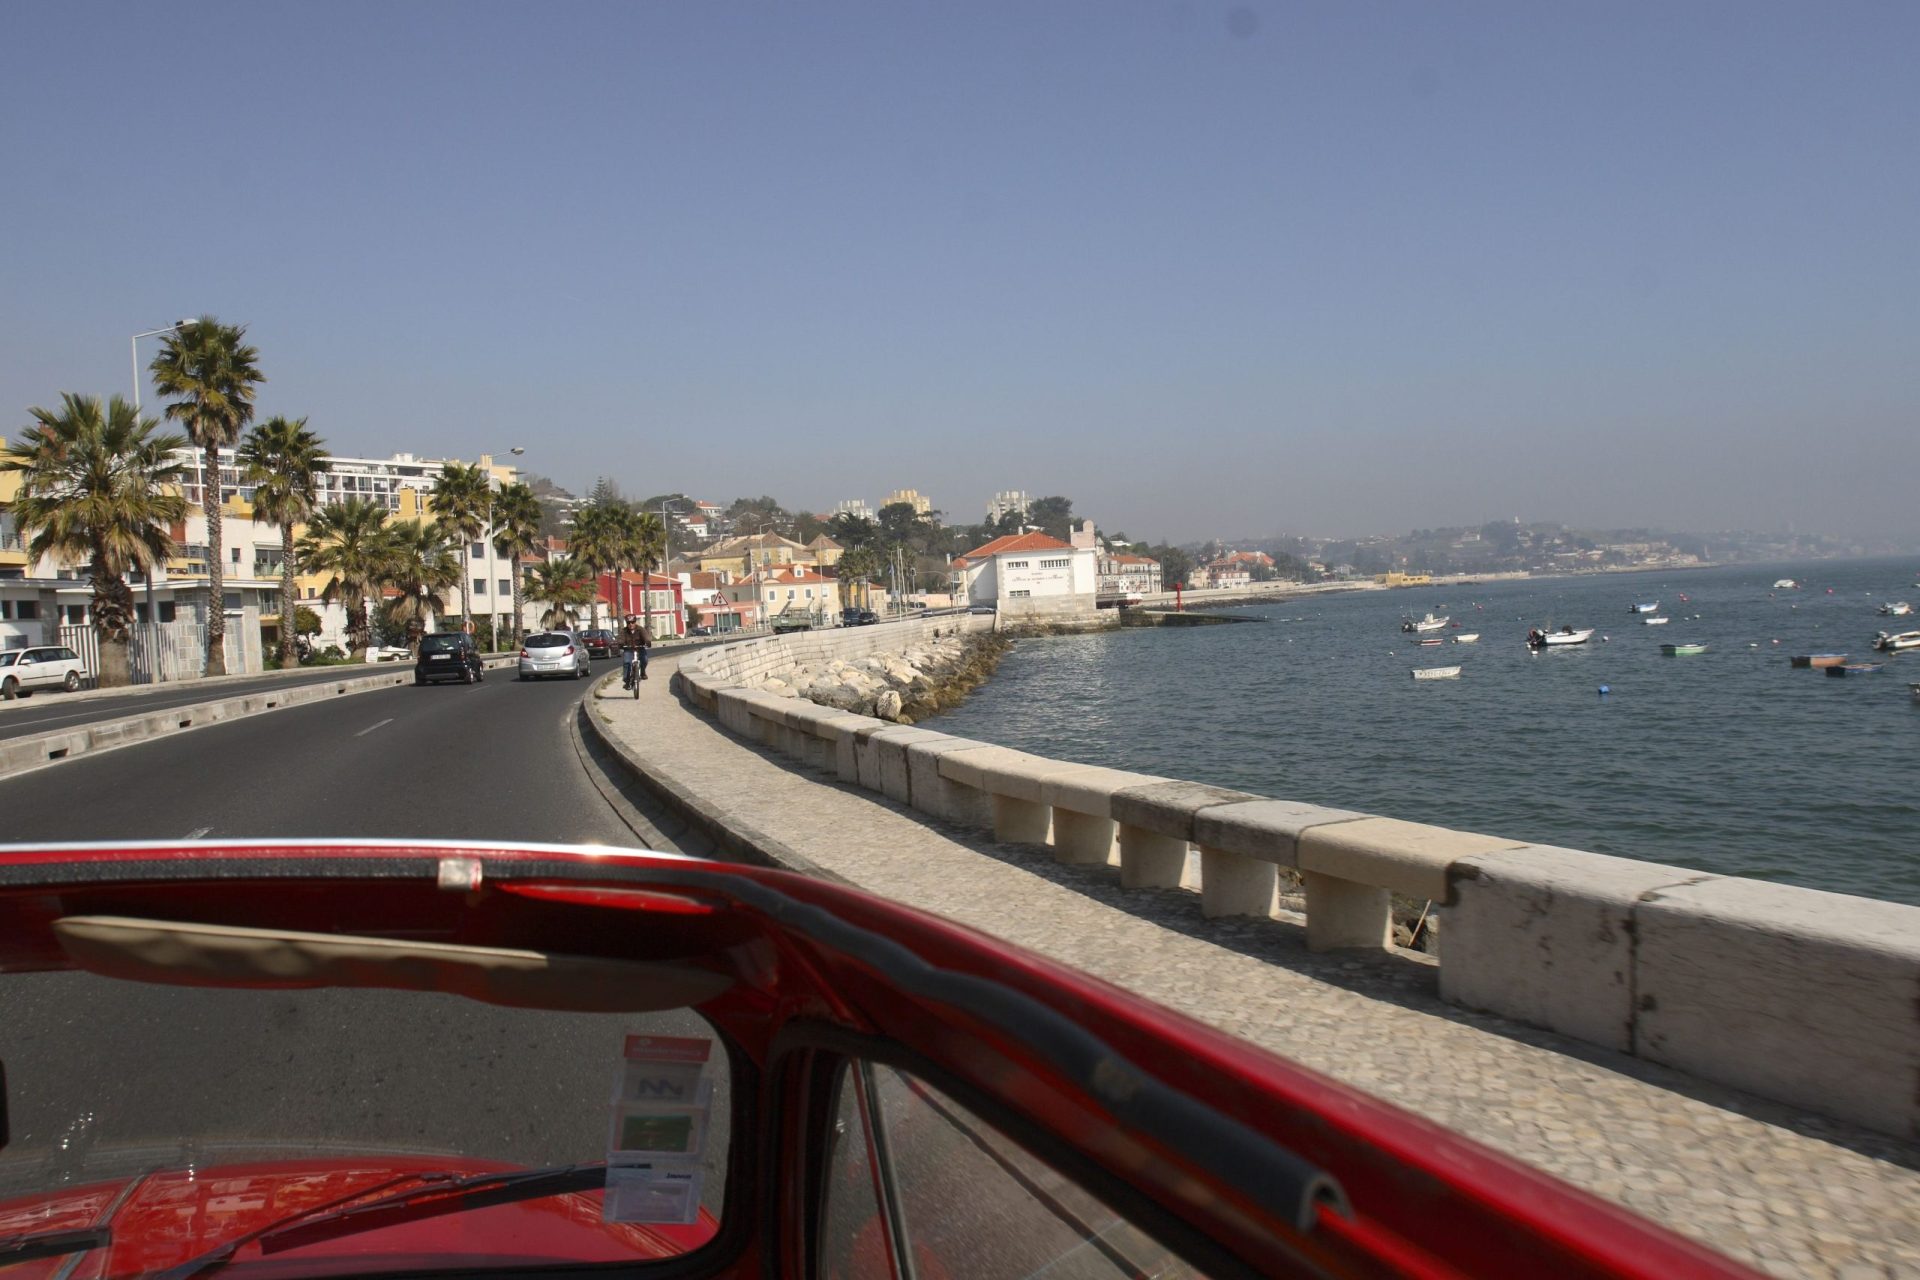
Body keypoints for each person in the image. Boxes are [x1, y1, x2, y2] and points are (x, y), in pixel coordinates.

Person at [619, 615, 653, 687]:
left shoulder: (641, 629)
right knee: (626, 662)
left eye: (632, 622)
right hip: (628, 650)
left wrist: (648, 642)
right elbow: (621, 639)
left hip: (640, 649)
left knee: (645, 660)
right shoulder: (624, 631)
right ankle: (626, 679)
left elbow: (646, 637)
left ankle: (643, 672)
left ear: (635, 622)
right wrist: (621, 643)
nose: (631, 624)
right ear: (626, 623)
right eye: (629, 623)